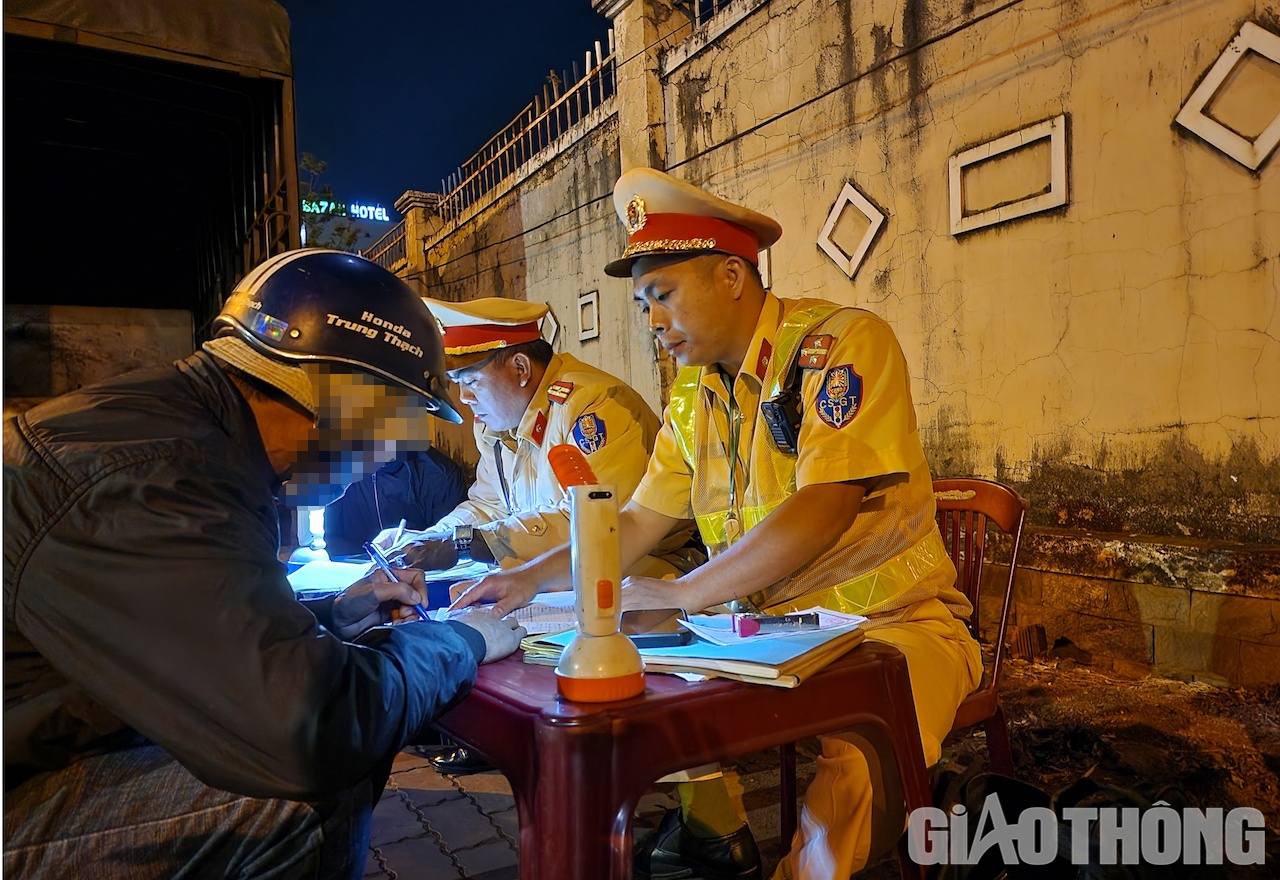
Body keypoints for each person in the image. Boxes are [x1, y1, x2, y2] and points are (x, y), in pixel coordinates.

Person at [451, 168, 983, 880]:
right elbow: (639, 519)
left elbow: (826, 505)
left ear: (732, 275)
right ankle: (714, 833)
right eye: (643, 303)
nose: (652, 320)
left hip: (893, 625)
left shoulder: (840, 347)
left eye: (662, 295)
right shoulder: (693, 396)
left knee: (860, 757)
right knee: (617, 677)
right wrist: (524, 580)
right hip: (760, 630)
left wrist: (680, 594)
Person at [3, 249, 525, 880]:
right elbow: (308, 727)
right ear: (334, 388)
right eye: (395, 421)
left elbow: (187, 635)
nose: (390, 452)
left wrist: (331, 618)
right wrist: (459, 641)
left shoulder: (182, 438)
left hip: (43, 750)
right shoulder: (157, 479)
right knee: (298, 791)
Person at [378, 296, 703, 773]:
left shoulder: (592, 409)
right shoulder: (501, 426)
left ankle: (709, 820)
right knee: (471, 605)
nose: (464, 399)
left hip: (655, 562)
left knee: (616, 612)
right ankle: (505, 736)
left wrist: (469, 544)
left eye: (470, 382)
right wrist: (428, 538)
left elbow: (595, 525)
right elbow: (486, 503)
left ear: (520, 368)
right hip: (555, 569)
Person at [323, 448, 466, 558]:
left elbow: (452, 549)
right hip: (351, 581)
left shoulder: (440, 475)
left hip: (420, 581)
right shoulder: (336, 470)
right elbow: (332, 542)